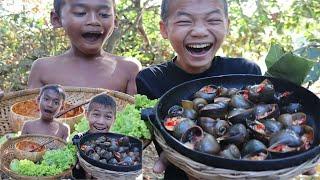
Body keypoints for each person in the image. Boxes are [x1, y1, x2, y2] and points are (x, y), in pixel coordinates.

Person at [136, 0, 261, 179]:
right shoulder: (149, 80)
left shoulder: (246, 72)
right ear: (164, 29)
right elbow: (163, 142)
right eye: (185, 21)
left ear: (227, 25)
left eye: (213, 20)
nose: (199, 31)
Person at [27, 0, 141, 95]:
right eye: (80, 13)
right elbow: (29, 116)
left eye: (104, 14)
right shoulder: (43, 69)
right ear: (57, 19)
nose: (93, 21)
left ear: (115, 21)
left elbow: (138, 117)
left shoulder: (129, 69)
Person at [72, 93, 117, 179]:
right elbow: (74, 167)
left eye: (108, 117)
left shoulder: (115, 143)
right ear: (87, 115)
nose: (101, 122)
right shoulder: (78, 138)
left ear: (114, 119)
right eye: (96, 114)